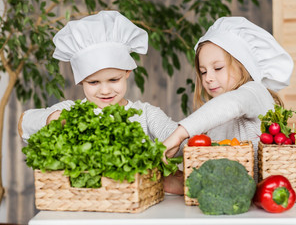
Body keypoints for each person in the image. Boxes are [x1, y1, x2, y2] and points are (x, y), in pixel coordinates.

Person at [18, 11, 183, 194]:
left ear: (128, 71)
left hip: (135, 207)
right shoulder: (72, 110)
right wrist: (52, 119)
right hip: (85, 205)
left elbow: (179, 138)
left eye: (114, 80)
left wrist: (169, 154)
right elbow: (24, 123)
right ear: (80, 81)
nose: (105, 91)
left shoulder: (145, 114)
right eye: (93, 82)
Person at [163, 16, 294, 193]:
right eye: (203, 71)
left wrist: (180, 133)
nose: (208, 78)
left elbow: (235, 103)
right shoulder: (214, 112)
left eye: (217, 68)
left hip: (259, 202)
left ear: (243, 65)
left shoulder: (256, 92)